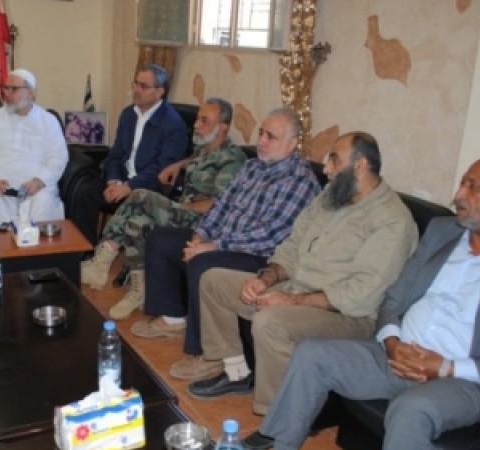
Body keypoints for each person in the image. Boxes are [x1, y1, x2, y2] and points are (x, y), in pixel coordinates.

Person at [244, 155, 480, 450]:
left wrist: (445, 367)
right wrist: (393, 343)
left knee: (411, 410)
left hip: (460, 380)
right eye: (462, 183)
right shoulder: (443, 232)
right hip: (396, 355)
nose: (458, 195)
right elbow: (394, 299)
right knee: (311, 354)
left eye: (474, 187)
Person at [188, 132, 419, 415]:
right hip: (298, 290)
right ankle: (236, 372)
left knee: (269, 321)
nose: (326, 169)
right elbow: (291, 247)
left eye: (334, 160)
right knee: (213, 280)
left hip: (350, 316)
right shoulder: (331, 197)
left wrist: (290, 302)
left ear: (360, 165)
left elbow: (362, 294)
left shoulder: (392, 220)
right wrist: (264, 279)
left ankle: (278, 417)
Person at [129, 108, 321, 382]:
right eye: (261, 133)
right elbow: (221, 205)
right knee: (161, 239)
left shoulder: (299, 181)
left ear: (293, 144)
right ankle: (172, 318)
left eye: (271, 137)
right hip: (224, 241)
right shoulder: (252, 167)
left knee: (202, 263)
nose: (261, 141)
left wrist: (213, 246)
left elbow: (270, 236)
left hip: (260, 257)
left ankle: (209, 355)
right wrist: (201, 235)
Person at [81, 98, 247, 319]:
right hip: (184, 212)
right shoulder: (204, 148)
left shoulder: (232, 160)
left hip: (204, 224)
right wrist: (178, 165)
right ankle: (140, 289)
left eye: (204, 120)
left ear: (222, 128)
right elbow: (194, 161)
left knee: (140, 195)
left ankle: (102, 261)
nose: (196, 124)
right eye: (197, 118)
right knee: (137, 222)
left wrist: (182, 206)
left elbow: (218, 205)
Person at [69, 64, 189, 246]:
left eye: (143, 86)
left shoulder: (173, 124)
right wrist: (114, 181)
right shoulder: (128, 114)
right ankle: (84, 248)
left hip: (148, 188)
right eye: (135, 84)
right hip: (122, 180)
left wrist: (129, 187)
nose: (136, 90)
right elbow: (116, 153)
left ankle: (108, 252)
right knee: (85, 192)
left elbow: (162, 168)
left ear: (159, 92)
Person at [0, 69, 68, 229]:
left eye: (13, 89)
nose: (7, 94)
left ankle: (36, 246)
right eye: (6, 88)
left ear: (30, 92)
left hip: (36, 189)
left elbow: (58, 157)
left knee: (43, 203)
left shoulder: (48, 121)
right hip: (0, 190)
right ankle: (1, 245)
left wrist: (39, 181)